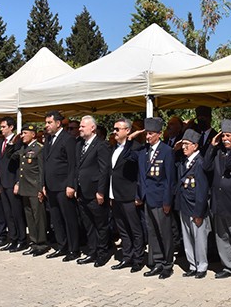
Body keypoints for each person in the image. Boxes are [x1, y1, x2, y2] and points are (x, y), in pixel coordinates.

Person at [203, 119, 231, 280]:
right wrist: (212, 146)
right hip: (218, 200)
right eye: (223, 136)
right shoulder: (218, 151)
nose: (225, 139)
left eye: (228, 136)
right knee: (222, 236)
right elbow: (206, 166)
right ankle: (228, 266)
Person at [138, 117, 177, 280]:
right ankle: (157, 262)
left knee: (164, 233)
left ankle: (168, 264)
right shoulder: (144, 151)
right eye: (147, 133)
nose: (147, 136)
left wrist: (167, 201)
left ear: (159, 134)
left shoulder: (166, 151)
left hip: (161, 199)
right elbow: (141, 176)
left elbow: (170, 179)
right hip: (148, 198)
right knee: (152, 232)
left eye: (151, 134)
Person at [42, 111, 81, 262]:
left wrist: (71, 185)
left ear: (58, 123)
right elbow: (46, 163)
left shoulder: (68, 139)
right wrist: (44, 184)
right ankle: (62, 245)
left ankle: (74, 248)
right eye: (46, 123)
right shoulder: (49, 139)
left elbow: (72, 164)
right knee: (56, 219)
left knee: (69, 218)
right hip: (51, 186)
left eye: (49, 123)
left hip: (64, 185)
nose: (46, 126)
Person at [109, 119, 145, 273]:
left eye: (118, 129)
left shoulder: (136, 148)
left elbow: (134, 164)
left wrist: (130, 141)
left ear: (128, 131)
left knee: (135, 229)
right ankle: (127, 256)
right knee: (123, 229)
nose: (115, 131)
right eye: (114, 129)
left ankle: (138, 259)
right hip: (116, 195)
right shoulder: (115, 148)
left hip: (129, 195)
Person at [74, 116, 112, 267]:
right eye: (80, 126)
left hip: (95, 192)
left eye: (83, 126)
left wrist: (101, 191)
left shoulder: (101, 145)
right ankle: (92, 251)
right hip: (83, 191)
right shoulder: (80, 145)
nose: (80, 128)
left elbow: (104, 170)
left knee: (100, 225)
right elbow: (78, 168)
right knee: (88, 224)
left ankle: (102, 254)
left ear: (92, 128)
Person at [175, 128, 211, 278]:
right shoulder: (184, 161)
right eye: (183, 144)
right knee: (188, 238)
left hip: (195, 206)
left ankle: (201, 266)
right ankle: (192, 264)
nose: (184, 147)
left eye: (187, 145)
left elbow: (202, 191)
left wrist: (199, 212)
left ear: (195, 146)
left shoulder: (200, 162)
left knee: (199, 238)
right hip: (184, 205)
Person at [14, 124, 48, 257]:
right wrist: (14, 142)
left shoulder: (39, 149)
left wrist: (40, 189)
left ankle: (41, 243)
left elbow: (41, 171)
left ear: (33, 134)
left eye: (25, 133)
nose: (22, 135)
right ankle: (33, 242)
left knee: (38, 217)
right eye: (21, 133)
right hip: (25, 188)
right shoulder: (24, 148)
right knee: (29, 216)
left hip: (35, 188)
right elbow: (11, 156)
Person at [0, 117, 27, 252]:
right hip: (3, 182)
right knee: (8, 213)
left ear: (11, 127)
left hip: (12, 181)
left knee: (17, 213)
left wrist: (17, 182)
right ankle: (13, 238)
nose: (1, 129)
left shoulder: (17, 141)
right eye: (1, 127)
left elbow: (18, 164)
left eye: (4, 127)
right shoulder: (1, 142)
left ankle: (22, 239)